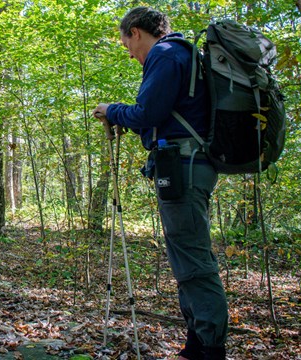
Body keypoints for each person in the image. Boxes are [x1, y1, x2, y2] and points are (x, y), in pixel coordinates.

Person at [93, 7, 229, 360]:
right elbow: (158, 116)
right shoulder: (184, 55)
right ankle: (196, 345)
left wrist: (112, 110)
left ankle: (211, 348)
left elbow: (146, 114)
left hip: (182, 167)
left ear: (136, 32)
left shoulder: (166, 55)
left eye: (127, 45)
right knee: (187, 256)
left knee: (193, 259)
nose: (131, 55)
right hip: (187, 165)